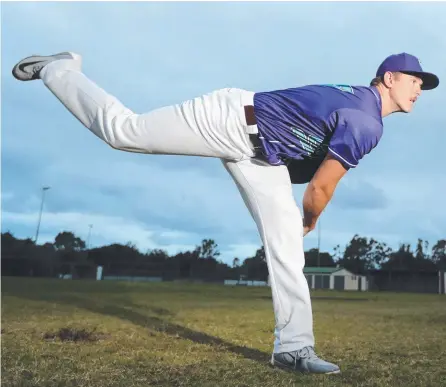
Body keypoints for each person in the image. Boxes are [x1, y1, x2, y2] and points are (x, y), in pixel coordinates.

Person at [12, 51, 439, 374]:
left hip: (263, 156)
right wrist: (309, 219)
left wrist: (297, 220)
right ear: (389, 78)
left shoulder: (359, 104)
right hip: (230, 119)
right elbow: (321, 186)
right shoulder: (367, 119)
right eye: (415, 80)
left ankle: (293, 349)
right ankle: (60, 68)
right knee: (125, 132)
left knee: (287, 243)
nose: (419, 88)